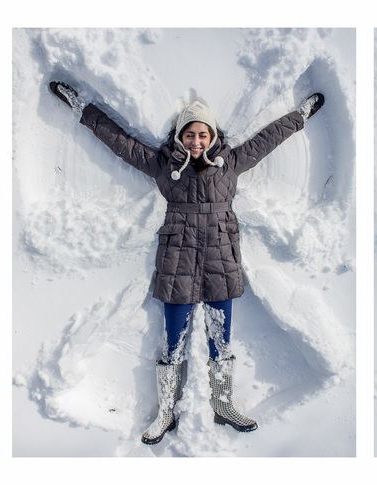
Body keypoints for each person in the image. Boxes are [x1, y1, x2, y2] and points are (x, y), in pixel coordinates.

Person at [49, 81, 324, 445]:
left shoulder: (232, 162)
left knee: (220, 338)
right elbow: (119, 142)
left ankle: (223, 404)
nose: (197, 141)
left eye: (202, 134)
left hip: (221, 254)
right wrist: (82, 109)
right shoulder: (163, 165)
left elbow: (267, 139)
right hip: (178, 253)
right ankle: (166, 412)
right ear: (181, 137)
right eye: (190, 135)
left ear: (212, 136)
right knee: (173, 340)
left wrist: (300, 116)